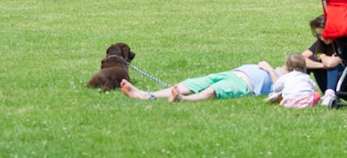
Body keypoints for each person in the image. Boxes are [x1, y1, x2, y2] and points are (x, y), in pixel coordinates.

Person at [120, 60, 280, 103]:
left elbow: (279, 89)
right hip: (231, 74)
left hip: (244, 84)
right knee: (189, 84)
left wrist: (270, 70)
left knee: (213, 91)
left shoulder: (285, 79)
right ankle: (147, 95)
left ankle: (183, 99)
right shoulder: (282, 69)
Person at [302, 15, 344, 95]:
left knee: (333, 66)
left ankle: (329, 95)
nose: (322, 38)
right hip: (327, 82)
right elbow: (301, 59)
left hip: (345, 82)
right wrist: (321, 65)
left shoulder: (342, 43)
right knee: (311, 60)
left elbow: (330, 64)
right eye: (319, 35)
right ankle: (298, 90)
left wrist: (322, 56)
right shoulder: (321, 43)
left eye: (324, 35)